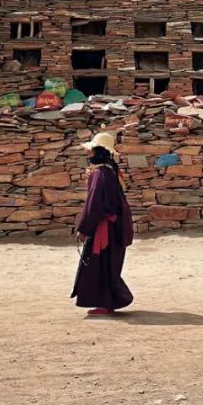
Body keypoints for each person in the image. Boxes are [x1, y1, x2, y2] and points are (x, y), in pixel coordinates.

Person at [71, 132, 134, 317]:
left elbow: (93, 205)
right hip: (114, 229)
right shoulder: (110, 172)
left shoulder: (100, 174)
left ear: (98, 152)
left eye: (91, 151)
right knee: (107, 265)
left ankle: (106, 304)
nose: (88, 155)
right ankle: (108, 302)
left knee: (101, 265)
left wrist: (84, 229)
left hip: (105, 229)